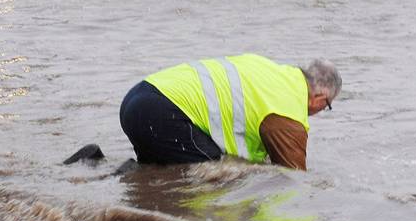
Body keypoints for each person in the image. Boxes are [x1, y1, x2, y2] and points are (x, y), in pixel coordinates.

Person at [118, 55, 341, 170]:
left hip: (138, 98)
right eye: (327, 106)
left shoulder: (272, 73)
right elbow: (292, 179)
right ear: (320, 99)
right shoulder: (288, 111)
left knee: (156, 174)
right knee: (216, 176)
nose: (321, 110)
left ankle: (96, 163)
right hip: (164, 112)